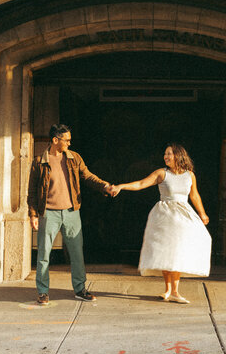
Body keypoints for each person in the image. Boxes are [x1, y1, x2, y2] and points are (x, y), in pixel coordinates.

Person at [109, 143, 211, 304]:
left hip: (183, 215)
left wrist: (202, 213)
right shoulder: (161, 173)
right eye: (165, 154)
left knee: (178, 251)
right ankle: (168, 290)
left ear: (178, 155)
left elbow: (194, 196)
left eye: (169, 154)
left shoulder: (189, 175)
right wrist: (121, 186)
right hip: (165, 215)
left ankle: (175, 291)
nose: (165, 157)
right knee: (166, 251)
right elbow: (141, 184)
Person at [28, 124, 112, 305]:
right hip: (48, 213)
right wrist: (33, 214)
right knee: (43, 254)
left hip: (72, 211)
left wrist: (104, 185)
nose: (69, 143)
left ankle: (80, 289)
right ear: (55, 140)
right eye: (66, 140)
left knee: (76, 253)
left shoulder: (74, 158)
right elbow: (32, 191)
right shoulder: (39, 162)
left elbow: (88, 176)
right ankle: (43, 292)